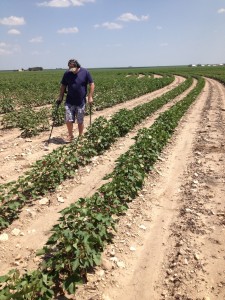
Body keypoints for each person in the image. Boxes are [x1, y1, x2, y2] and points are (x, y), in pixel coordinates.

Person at [57, 58, 94, 141]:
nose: (71, 70)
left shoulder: (85, 72)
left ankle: (80, 136)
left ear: (77, 66)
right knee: (68, 119)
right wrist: (60, 96)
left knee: (80, 120)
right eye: (69, 67)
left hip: (80, 101)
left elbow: (91, 84)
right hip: (69, 101)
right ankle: (70, 135)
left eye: (72, 68)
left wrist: (90, 96)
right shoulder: (67, 73)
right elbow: (63, 86)